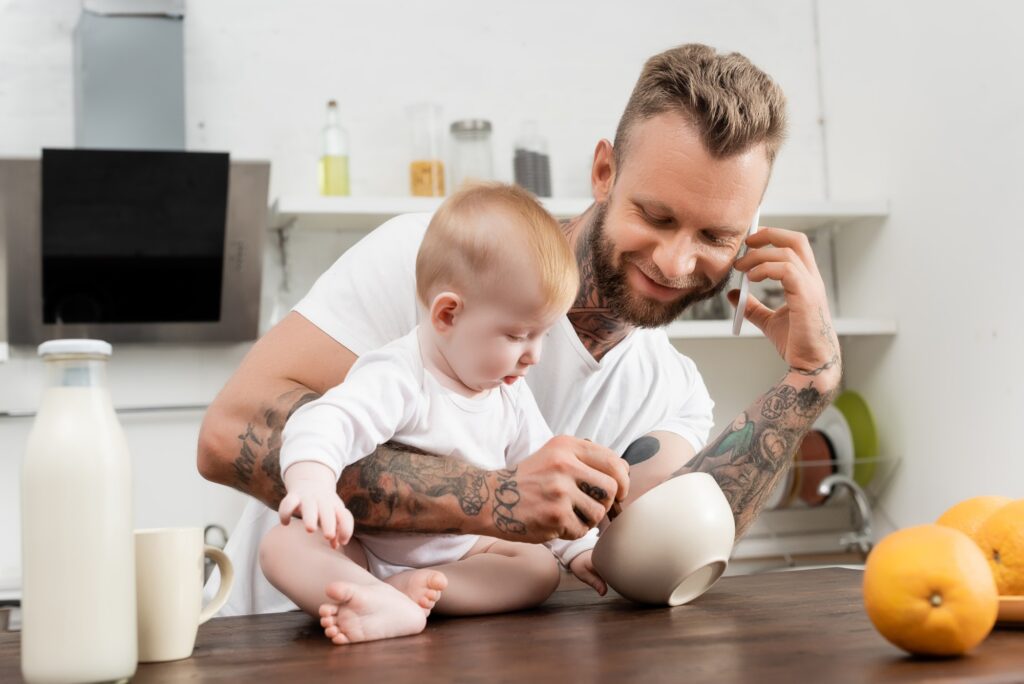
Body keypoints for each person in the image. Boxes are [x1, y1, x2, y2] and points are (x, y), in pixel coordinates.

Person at [199, 43, 842, 616]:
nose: (676, 262)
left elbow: (663, 558)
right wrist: (499, 497)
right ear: (604, 172)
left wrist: (809, 383)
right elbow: (227, 437)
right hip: (281, 637)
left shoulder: (671, 393)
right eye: (657, 215)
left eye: (715, 236)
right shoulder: (431, 262)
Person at [259, 183, 607, 644]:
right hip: (367, 546)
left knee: (538, 569)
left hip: (465, 553)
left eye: (542, 335)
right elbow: (327, 420)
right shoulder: (401, 373)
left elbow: (548, 484)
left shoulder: (510, 395)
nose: (534, 356)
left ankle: (410, 598)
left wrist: (579, 548)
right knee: (281, 547)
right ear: (447, 314)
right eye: (518, 335)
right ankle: (372, 592)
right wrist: (312, 483)